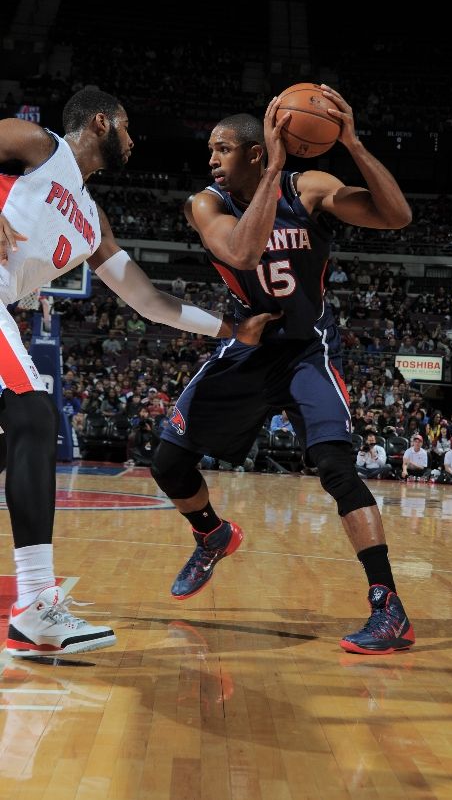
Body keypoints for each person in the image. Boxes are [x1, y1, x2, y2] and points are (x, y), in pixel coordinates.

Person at [0, 86, 275, 657]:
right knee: (32, 414)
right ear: (100, 122)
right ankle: (34, 606)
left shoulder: (92, 221)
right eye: (126, 127)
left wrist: (227, 330)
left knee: (19, 433)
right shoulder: (37, 144)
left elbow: (148, 301)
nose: (132, 138)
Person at [151, 86, 416, 655]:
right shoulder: (207, 204)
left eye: (222, 149)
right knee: (167, 460)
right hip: (249, 348)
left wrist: (352, 141)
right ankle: (212, 534)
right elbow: (243, 255)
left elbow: (397, 216)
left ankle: (388, 606)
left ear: (253, 151)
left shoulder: (310, 188)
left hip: (306, 350)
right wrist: (274, 168)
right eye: (210, 151)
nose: (211, 160)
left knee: (337, 470)